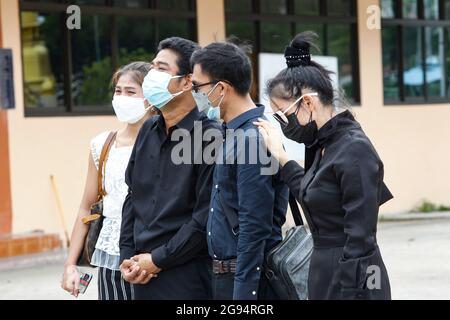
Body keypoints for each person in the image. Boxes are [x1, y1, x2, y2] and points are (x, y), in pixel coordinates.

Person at [255, 32, 393, 300]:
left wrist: (350, 290)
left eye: (283, 115)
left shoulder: (354, 149)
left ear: (307, 102)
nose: (283, 124)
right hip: (324, 270)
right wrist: (281, 156)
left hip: (354, 277)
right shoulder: (320, 144)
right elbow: (310, 192)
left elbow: (361, 238)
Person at [119, 37, 220, 300]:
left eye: (161, 69)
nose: (151, 75)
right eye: (152, 67)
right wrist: (127, 257)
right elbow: (132, 198)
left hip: (185, 274)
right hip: (141, 271)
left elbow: (204, 215)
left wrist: (159, 259)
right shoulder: (147, 130)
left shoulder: (209, 137)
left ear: (187, 81)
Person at [190, 41, 289, 300]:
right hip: (226, 276)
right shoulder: (232, 133)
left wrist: (244, 294)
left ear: (221, 88)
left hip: (244, 281)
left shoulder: (252, 140)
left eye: (197, 87)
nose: (194, 94)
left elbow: (254, 226)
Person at [61, 61, 156, 300]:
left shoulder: (167, 144)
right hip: (111, 258)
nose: (122, 97)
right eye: (118, 90)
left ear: (151, 98)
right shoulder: (102, 145)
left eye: (131, 91)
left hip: (155, 258)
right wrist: (70, 265)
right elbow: (87, 206)